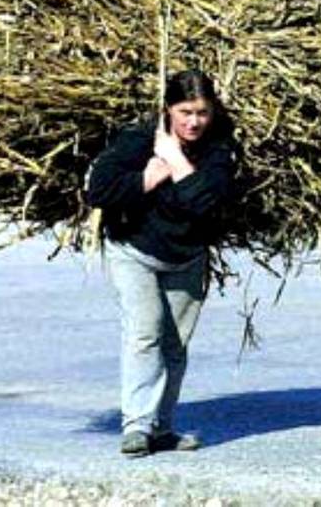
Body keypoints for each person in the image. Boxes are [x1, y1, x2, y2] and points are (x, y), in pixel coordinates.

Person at [86, 68, 236, 457]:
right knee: (144, 332)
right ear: (168, 108)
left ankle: (162, 428)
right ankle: (136, 427)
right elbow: (97, 189)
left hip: (186, 258)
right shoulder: (138, 140)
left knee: (174, 346)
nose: (194, 121)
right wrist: (146, 180)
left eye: (202, 112)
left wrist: (176, 161)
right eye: (185, 111)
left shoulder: (219, 148)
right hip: (133, 252)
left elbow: (207, 203)